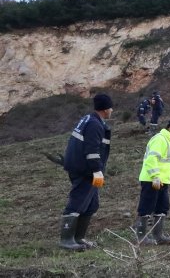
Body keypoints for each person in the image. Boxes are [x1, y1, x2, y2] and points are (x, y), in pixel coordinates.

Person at [59, 93, 113, 250]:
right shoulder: (95, 125)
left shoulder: (88, 119)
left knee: (91, 204)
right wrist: (96, 170)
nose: (112, 110)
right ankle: (66, 240)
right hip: (85, 170)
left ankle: (79, 238)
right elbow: (92, 150)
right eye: (110, 107)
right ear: (105, 109)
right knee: (78, 201)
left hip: (82, 168)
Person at [135, 118, 170, 245]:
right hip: (151, 179)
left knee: (162, 207)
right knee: (146, 207)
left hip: (163, 180)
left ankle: (158, 236)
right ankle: (141, 238)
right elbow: (151, 159)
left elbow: (165, 157)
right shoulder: (160, 139)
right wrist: (155, 176)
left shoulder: (168, 140)